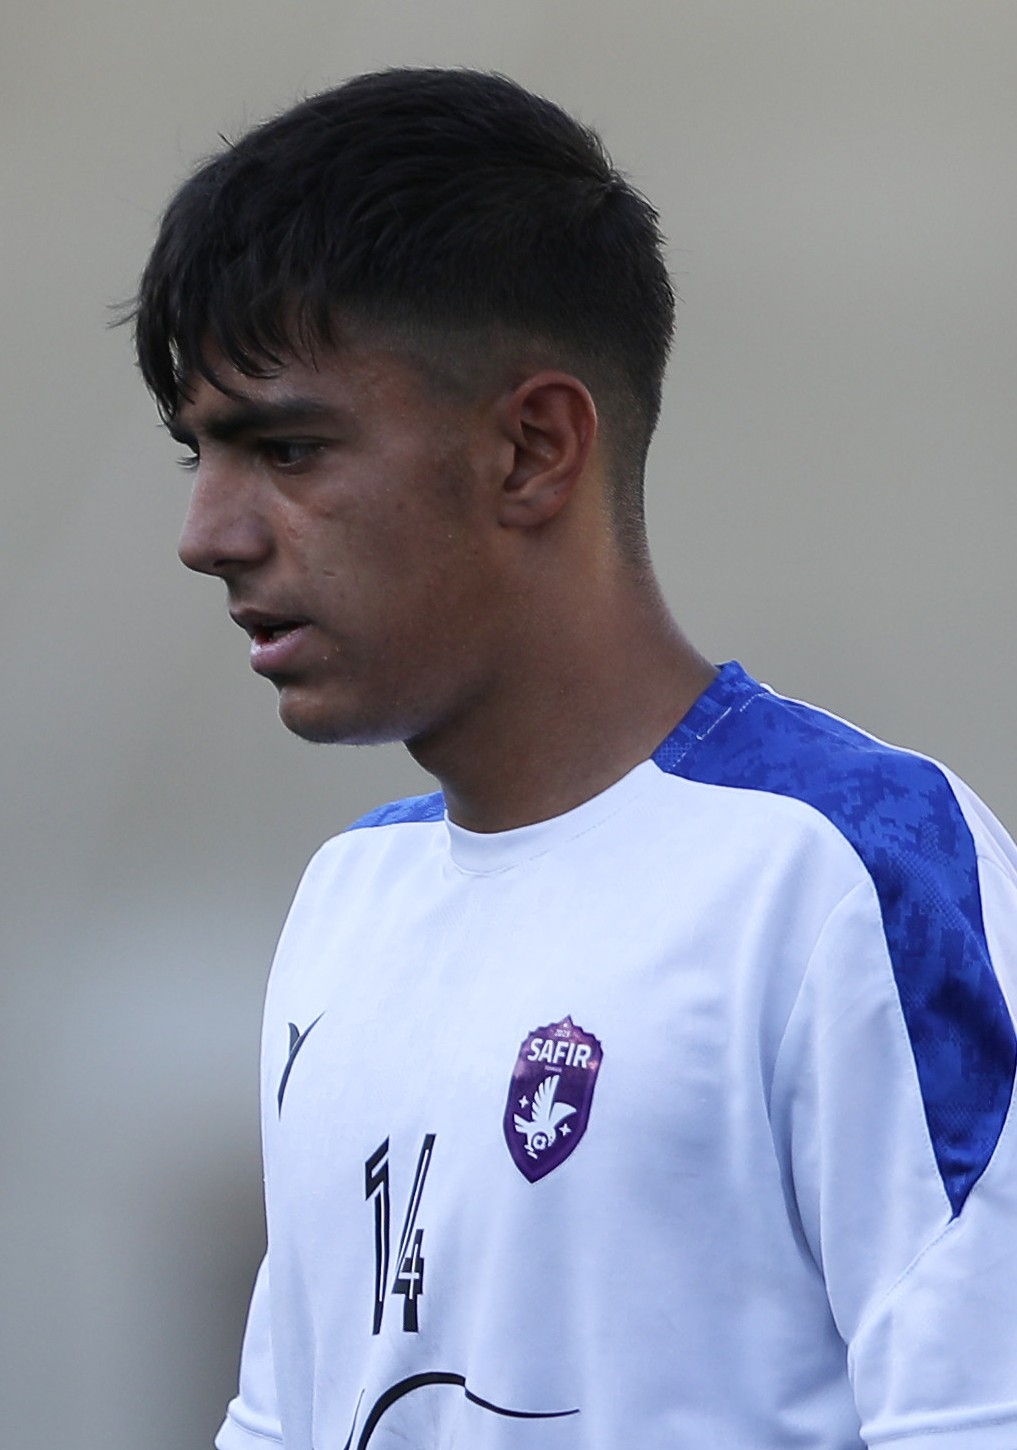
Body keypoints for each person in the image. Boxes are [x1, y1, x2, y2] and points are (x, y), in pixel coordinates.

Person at [130, 67, 1017, 1450]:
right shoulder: (346, 903)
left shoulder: (843, 872)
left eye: (285, 449)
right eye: (200, 454)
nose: (208, 534)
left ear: (533, 449)